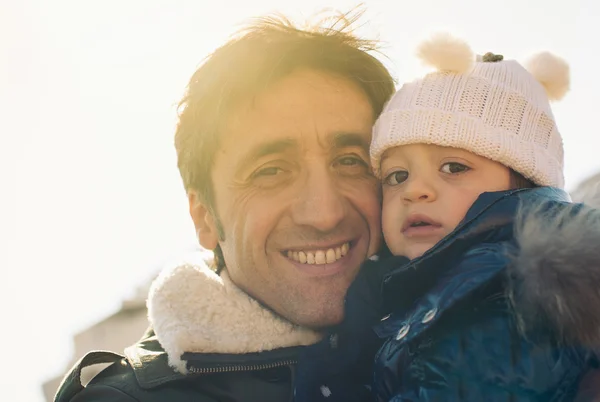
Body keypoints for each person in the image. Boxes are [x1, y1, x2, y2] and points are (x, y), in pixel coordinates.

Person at [53, 10, 395, 402]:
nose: (324, 213)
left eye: (351, 161)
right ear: (204, 217)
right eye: (270, 171)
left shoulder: (455, 345)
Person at [299, 33, 600, 401]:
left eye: (454, 167)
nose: (414, 191)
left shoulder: (516, 296)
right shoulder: (414, 292)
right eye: (397, 176)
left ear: (523, 185)